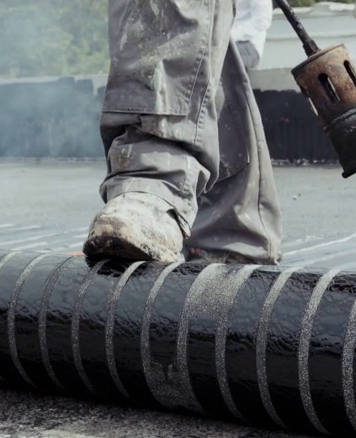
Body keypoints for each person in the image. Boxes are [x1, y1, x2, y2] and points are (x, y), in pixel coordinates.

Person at [84, 0, 282, 265]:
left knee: (192, 33)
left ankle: (156, 177)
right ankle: (230, 229)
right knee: (204, 52)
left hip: (242, 37)